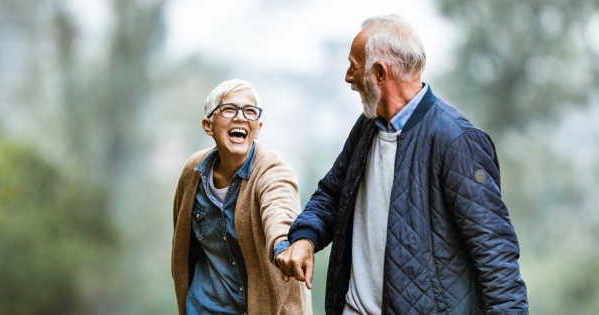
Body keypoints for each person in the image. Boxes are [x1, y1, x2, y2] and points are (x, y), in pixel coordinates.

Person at [276, 15, 529, 315]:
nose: (347, 77)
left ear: (380, 74)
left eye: (354, 67)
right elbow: (332, 194)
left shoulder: (457, 141)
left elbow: (496, 258)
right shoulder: (366, 127)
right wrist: (306, 237)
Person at [171, 79, 312, 315]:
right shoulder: (193, 172)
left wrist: (283, 246)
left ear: (258, 127)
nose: (240, 117)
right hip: (203, 307)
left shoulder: (272, 171)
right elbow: (182, 245)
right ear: (208, 125)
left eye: (249, 111)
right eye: (229, 109)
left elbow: (279, 210)